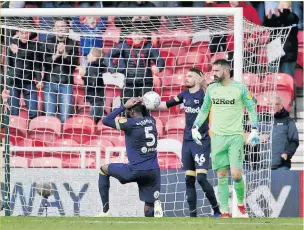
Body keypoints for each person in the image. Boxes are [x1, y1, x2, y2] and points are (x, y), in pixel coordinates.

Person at [192, 59, 259, 217]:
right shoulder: (211, 89)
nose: (213, 73)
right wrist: (195, 126)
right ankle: (224, 211)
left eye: (216, 70)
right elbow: (204, 109)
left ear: (226, 71)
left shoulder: (240, 88)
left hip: (235, 136)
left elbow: (251, 108)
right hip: (217, 137)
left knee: (236, 174)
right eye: (212, 70)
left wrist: (255, 129)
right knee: (221, 175)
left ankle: (241, 204)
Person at [154, 68, 221, 218]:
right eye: (185, 75)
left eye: (189, 76)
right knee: (189, 179)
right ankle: (193, 217)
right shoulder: (184, 95)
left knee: (202, 179)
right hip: (187, 142)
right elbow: (165, 105)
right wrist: (148, 103)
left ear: (198, 78)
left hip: (201, 141)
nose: (186, 78)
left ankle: (217, 210)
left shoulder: (205, 94)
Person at [98, 97, 162, 217]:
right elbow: (145, 114)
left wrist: (123, 106)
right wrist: (145, 102)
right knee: (149, 207)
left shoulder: (130, 124)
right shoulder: (152, 121)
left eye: (128, 111)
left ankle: (106, 211)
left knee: (103, 170)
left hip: (135, 170)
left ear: (131, 112)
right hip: (153, 171)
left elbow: (106, 120)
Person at [104, 30, 165, 104]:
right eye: (135, 34)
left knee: (145, 107)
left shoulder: (149, 46)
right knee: (126, 106)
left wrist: (158, 68)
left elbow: (160, 59)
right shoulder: (123, 45)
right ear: (131, 35)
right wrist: (112, 70)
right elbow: (107, 56)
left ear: (143, 36)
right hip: (129, 82)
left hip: (146, 83)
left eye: (140, 34)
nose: (137, 37)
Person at [37, 17, 79, 123]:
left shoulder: (73, 43)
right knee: (49, 116)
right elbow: (43, 63)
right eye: (58, 26)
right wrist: (56, 54)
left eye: (63, 26)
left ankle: (63, 138)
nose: (60, 29)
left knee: (65, 117)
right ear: (53, 29)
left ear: (67, 29)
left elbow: (74, 65)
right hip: (49, 82)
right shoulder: (46, 42)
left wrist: (64, 53)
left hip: (66, 83)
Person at [7, 27, 40, 119]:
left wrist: (39, 79)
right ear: (18, 33)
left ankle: (31, 131)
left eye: (26, 33)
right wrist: (12, 52)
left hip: (29, 82)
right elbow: (9, 64)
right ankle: (14, 131)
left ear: (29, 33)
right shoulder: (11, 45)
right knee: (14, 111)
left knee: (33, 112)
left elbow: (36, 65)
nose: (24, 35)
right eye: (22, 33)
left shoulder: (34, 46)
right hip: (15, 81)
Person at [264, 1, 299, 77]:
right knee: (272, 80)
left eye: (284, 5)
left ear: (290, 7)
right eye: (280, 5)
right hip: (274, 53)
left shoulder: (293, 17)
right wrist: (268, 18)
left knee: (287, 79)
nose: (282, 7)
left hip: (288, 56)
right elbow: (268, 27)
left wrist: (280, 15)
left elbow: (288, 20)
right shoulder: (275, 17)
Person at [77, 48, 106, 123]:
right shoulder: (95, 66)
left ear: (95, 57)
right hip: (96, 98)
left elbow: (92, 83)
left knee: (94, 121)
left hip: (96, 99)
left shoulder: (94, 67)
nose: (88, 55)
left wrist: (83, 74)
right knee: (95, 119)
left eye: (90, 54)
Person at [271, 96, 299, 170]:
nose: (272, 106)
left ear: (281, 106)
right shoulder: (263, 121)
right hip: (263, 167)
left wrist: (287, 153)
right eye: (270, 104)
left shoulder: (289, 121)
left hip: (282, 165)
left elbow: (294, 141)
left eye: (275, 104)